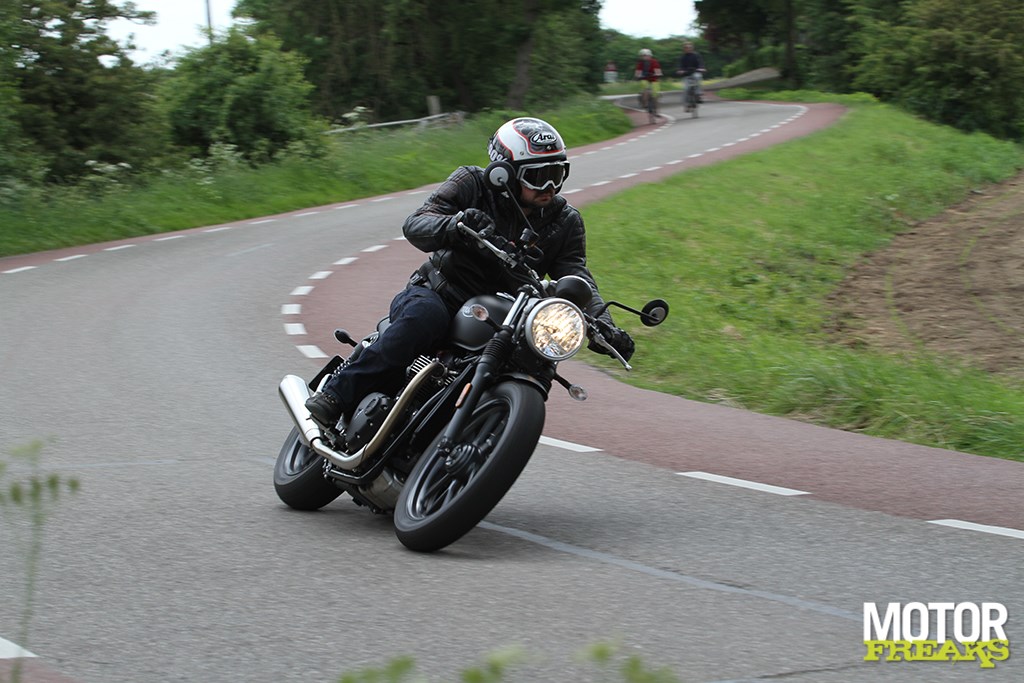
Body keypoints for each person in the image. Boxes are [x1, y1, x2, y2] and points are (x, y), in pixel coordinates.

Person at [305, 117, 636, 426]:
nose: (549, 186)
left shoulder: (565, 221)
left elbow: (576, 276)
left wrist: (604, 327)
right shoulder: (473, 184)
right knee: (424, 318)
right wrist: (456, 225)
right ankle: (336, 395)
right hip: (442, 292)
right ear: (506, 173)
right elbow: (417, 222)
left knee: (537, 357)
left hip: (506, 316)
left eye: (557, 173)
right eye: (537, 176)